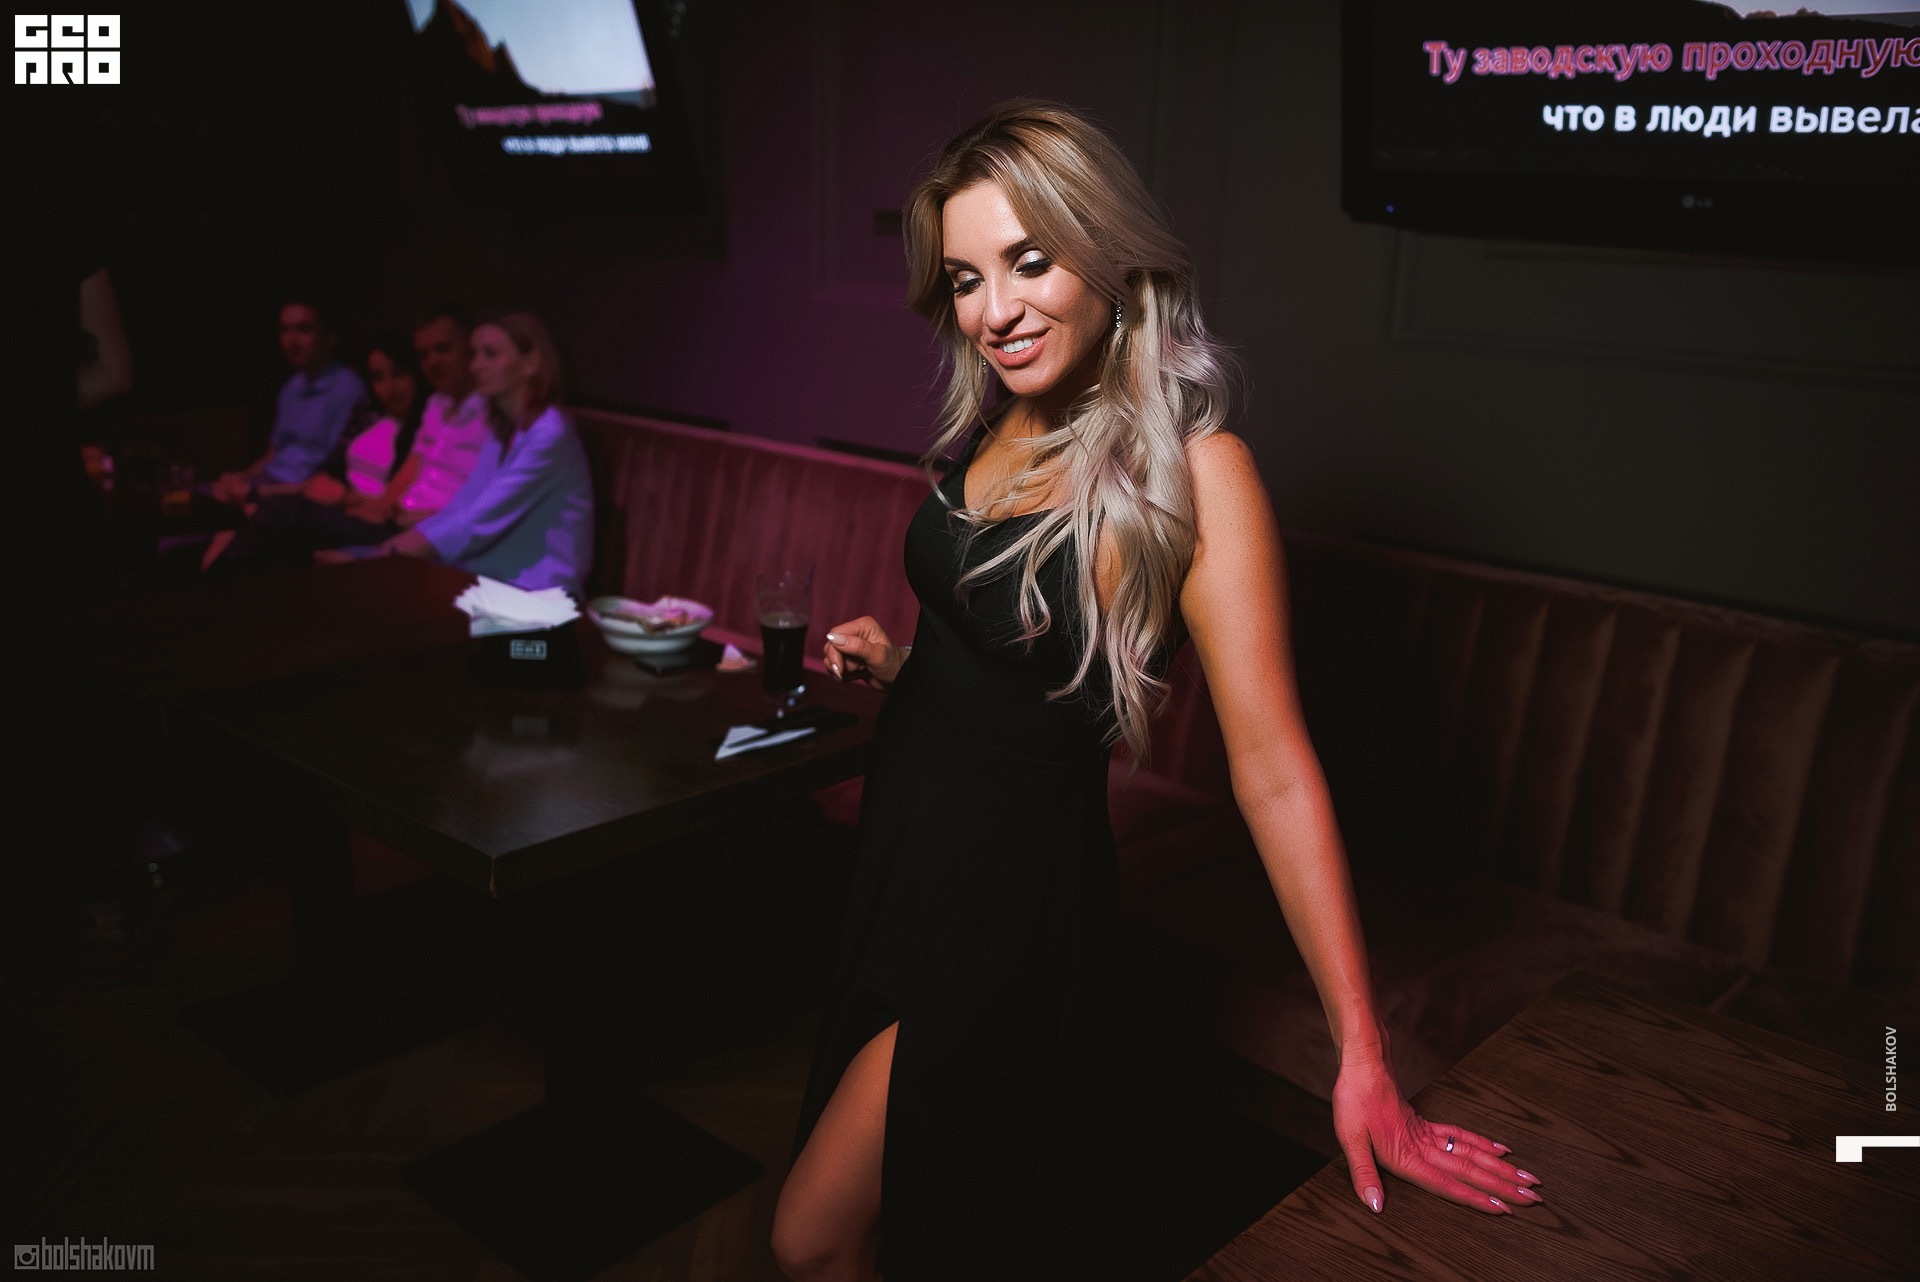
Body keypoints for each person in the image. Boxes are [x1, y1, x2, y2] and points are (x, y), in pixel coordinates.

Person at [771, 101, 1546, 1282]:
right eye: (968, 279)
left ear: (1110, 255)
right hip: (905, 860)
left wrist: (1363, 1054)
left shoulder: (1198, 473)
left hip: (1011, 903)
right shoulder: (1001, 418)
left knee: (813, 1234)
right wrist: (905, 667)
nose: (994, 311)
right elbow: (1015, 674)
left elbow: (1272, 769)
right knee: (923, 1216)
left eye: (1030, 261)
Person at [348, 311, 593, 596]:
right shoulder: (503, 428)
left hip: (537, 590)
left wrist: (383, 557)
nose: (476, 365)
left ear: (530, 363)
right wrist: (385, 550)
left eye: (490, 354)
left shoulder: (550, 432)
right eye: (474, 354)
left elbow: (478, 520)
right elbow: (463, 505)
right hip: (488, 576)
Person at [203, 335, 431, 573]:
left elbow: (393, 506)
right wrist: (341, 498)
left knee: (282, 511)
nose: (389, 388)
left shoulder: (425, 427)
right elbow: (328, 473)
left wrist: (348, 501)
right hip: (338, 508)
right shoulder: (368, 413)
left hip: (372, 522)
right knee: (278, 560)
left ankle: (210, 583)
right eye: (378, 378)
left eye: (399, 374)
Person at [211, 294, 366, 505]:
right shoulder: (291, 387)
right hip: (270, 485)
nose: (291, 341)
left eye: (303, 329)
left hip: (301, 496)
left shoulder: (348, 388)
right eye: (285, 330)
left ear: (330, 337)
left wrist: (257, 492)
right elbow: (272, 456)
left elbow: (332, 475)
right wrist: (242, 477)